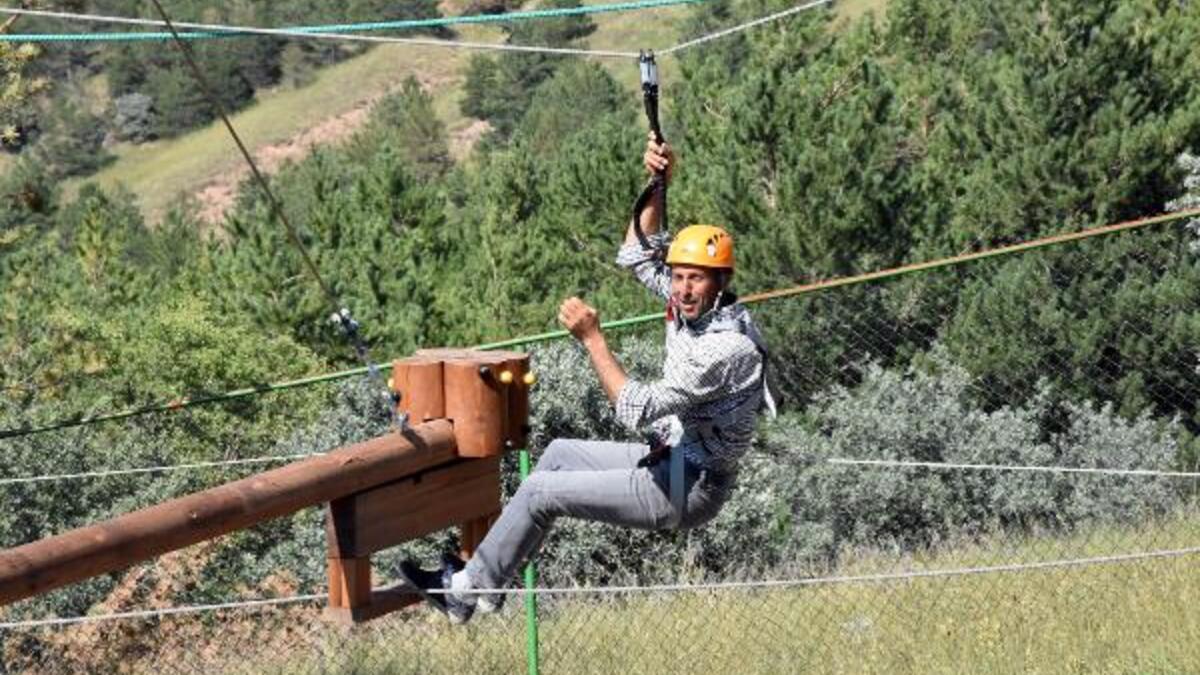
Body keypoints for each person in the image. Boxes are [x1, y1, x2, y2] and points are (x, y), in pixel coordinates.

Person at [399, 133, 775, 623]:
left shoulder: (725, 348)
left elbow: (633, 409)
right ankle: (486, 588)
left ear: (720, 282)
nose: (682, 289)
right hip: (677, 460)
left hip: (689, 487)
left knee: (540, 494)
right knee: (556, 457)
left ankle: (465, 591)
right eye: (679, 276)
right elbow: (637, 253)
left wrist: (593, 339)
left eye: (695, 279)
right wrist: (658, 182)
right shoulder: (696, 306)